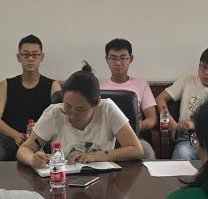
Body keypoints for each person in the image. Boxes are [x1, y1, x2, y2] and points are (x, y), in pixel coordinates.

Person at [16, 64, 146, 168]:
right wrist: (32, 159)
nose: (72, 114)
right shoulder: (54, 113)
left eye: (80, 109)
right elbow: (25, 149)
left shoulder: (107, 109)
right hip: (63, 180)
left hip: (104, 181)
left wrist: (94, 156)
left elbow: (136, 150)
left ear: (96, 102)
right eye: (67, 106)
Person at [0, 34, 61, 161]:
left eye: (35, 55)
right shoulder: (6, 85)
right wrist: (15, 135)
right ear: (18, 57)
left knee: (52, 153)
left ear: (42, 57)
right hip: (7, 137)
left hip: (40, 138)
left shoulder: (53, 85)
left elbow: (59, 117)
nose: (30, 59)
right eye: (25, 55)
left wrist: (40, 128)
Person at [157, 47, 208, 161]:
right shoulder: (187, 81)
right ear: (198, 65)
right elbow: (160, 99)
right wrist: (170, 123)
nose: (206, 73)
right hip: (187, 137)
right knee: (182, 154)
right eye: (204, 67)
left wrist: (194, 124)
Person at [98, 38, 158, 134]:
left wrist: (128, 129)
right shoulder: (98, 85)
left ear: (131, 59)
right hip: (103, 136)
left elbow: (152, 119)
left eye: (123, 58)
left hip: (134, 136)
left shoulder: (141, 85)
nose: (118, 63)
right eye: (113, 58)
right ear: (106, 59)